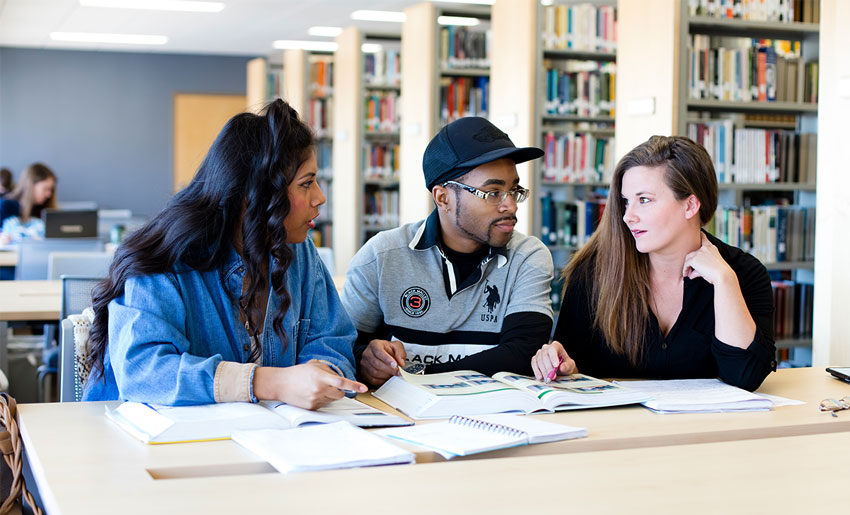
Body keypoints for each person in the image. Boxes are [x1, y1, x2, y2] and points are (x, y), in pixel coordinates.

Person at [83, 99, 366, 408]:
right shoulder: (166, 257)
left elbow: (333, 343)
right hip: (150, 447)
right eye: (306, 184)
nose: (320, 197)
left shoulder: (300, 252)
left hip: (270, 437)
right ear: (254, 195)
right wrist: (270, 382)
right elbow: (144, 371)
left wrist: (321, 379)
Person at [532, 136, 775, 391]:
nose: (628, 216)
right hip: (617, 428)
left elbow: (745, 377)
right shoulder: (593, 273)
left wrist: (725, 282)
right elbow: (572, 364)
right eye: (626, 201)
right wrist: (560, 363)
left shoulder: (743, 273)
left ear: (690, 205)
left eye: (644, 200)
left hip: (706, 428)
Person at [341, 117, 554, 387]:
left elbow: (523, 354)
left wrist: (414, 378)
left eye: (514, 190)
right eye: (493, 192)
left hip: (494, 418)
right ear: (443, 198)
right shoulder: (382, 256)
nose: (510, 206)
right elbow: (340, 347)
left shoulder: (528, 257)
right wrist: (365, 359)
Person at [0, 163, 57, 244]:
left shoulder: (44, 210)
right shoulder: (5, 207)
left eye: (51, 190)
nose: (49, 194)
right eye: (45, 189)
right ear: (31, 186)